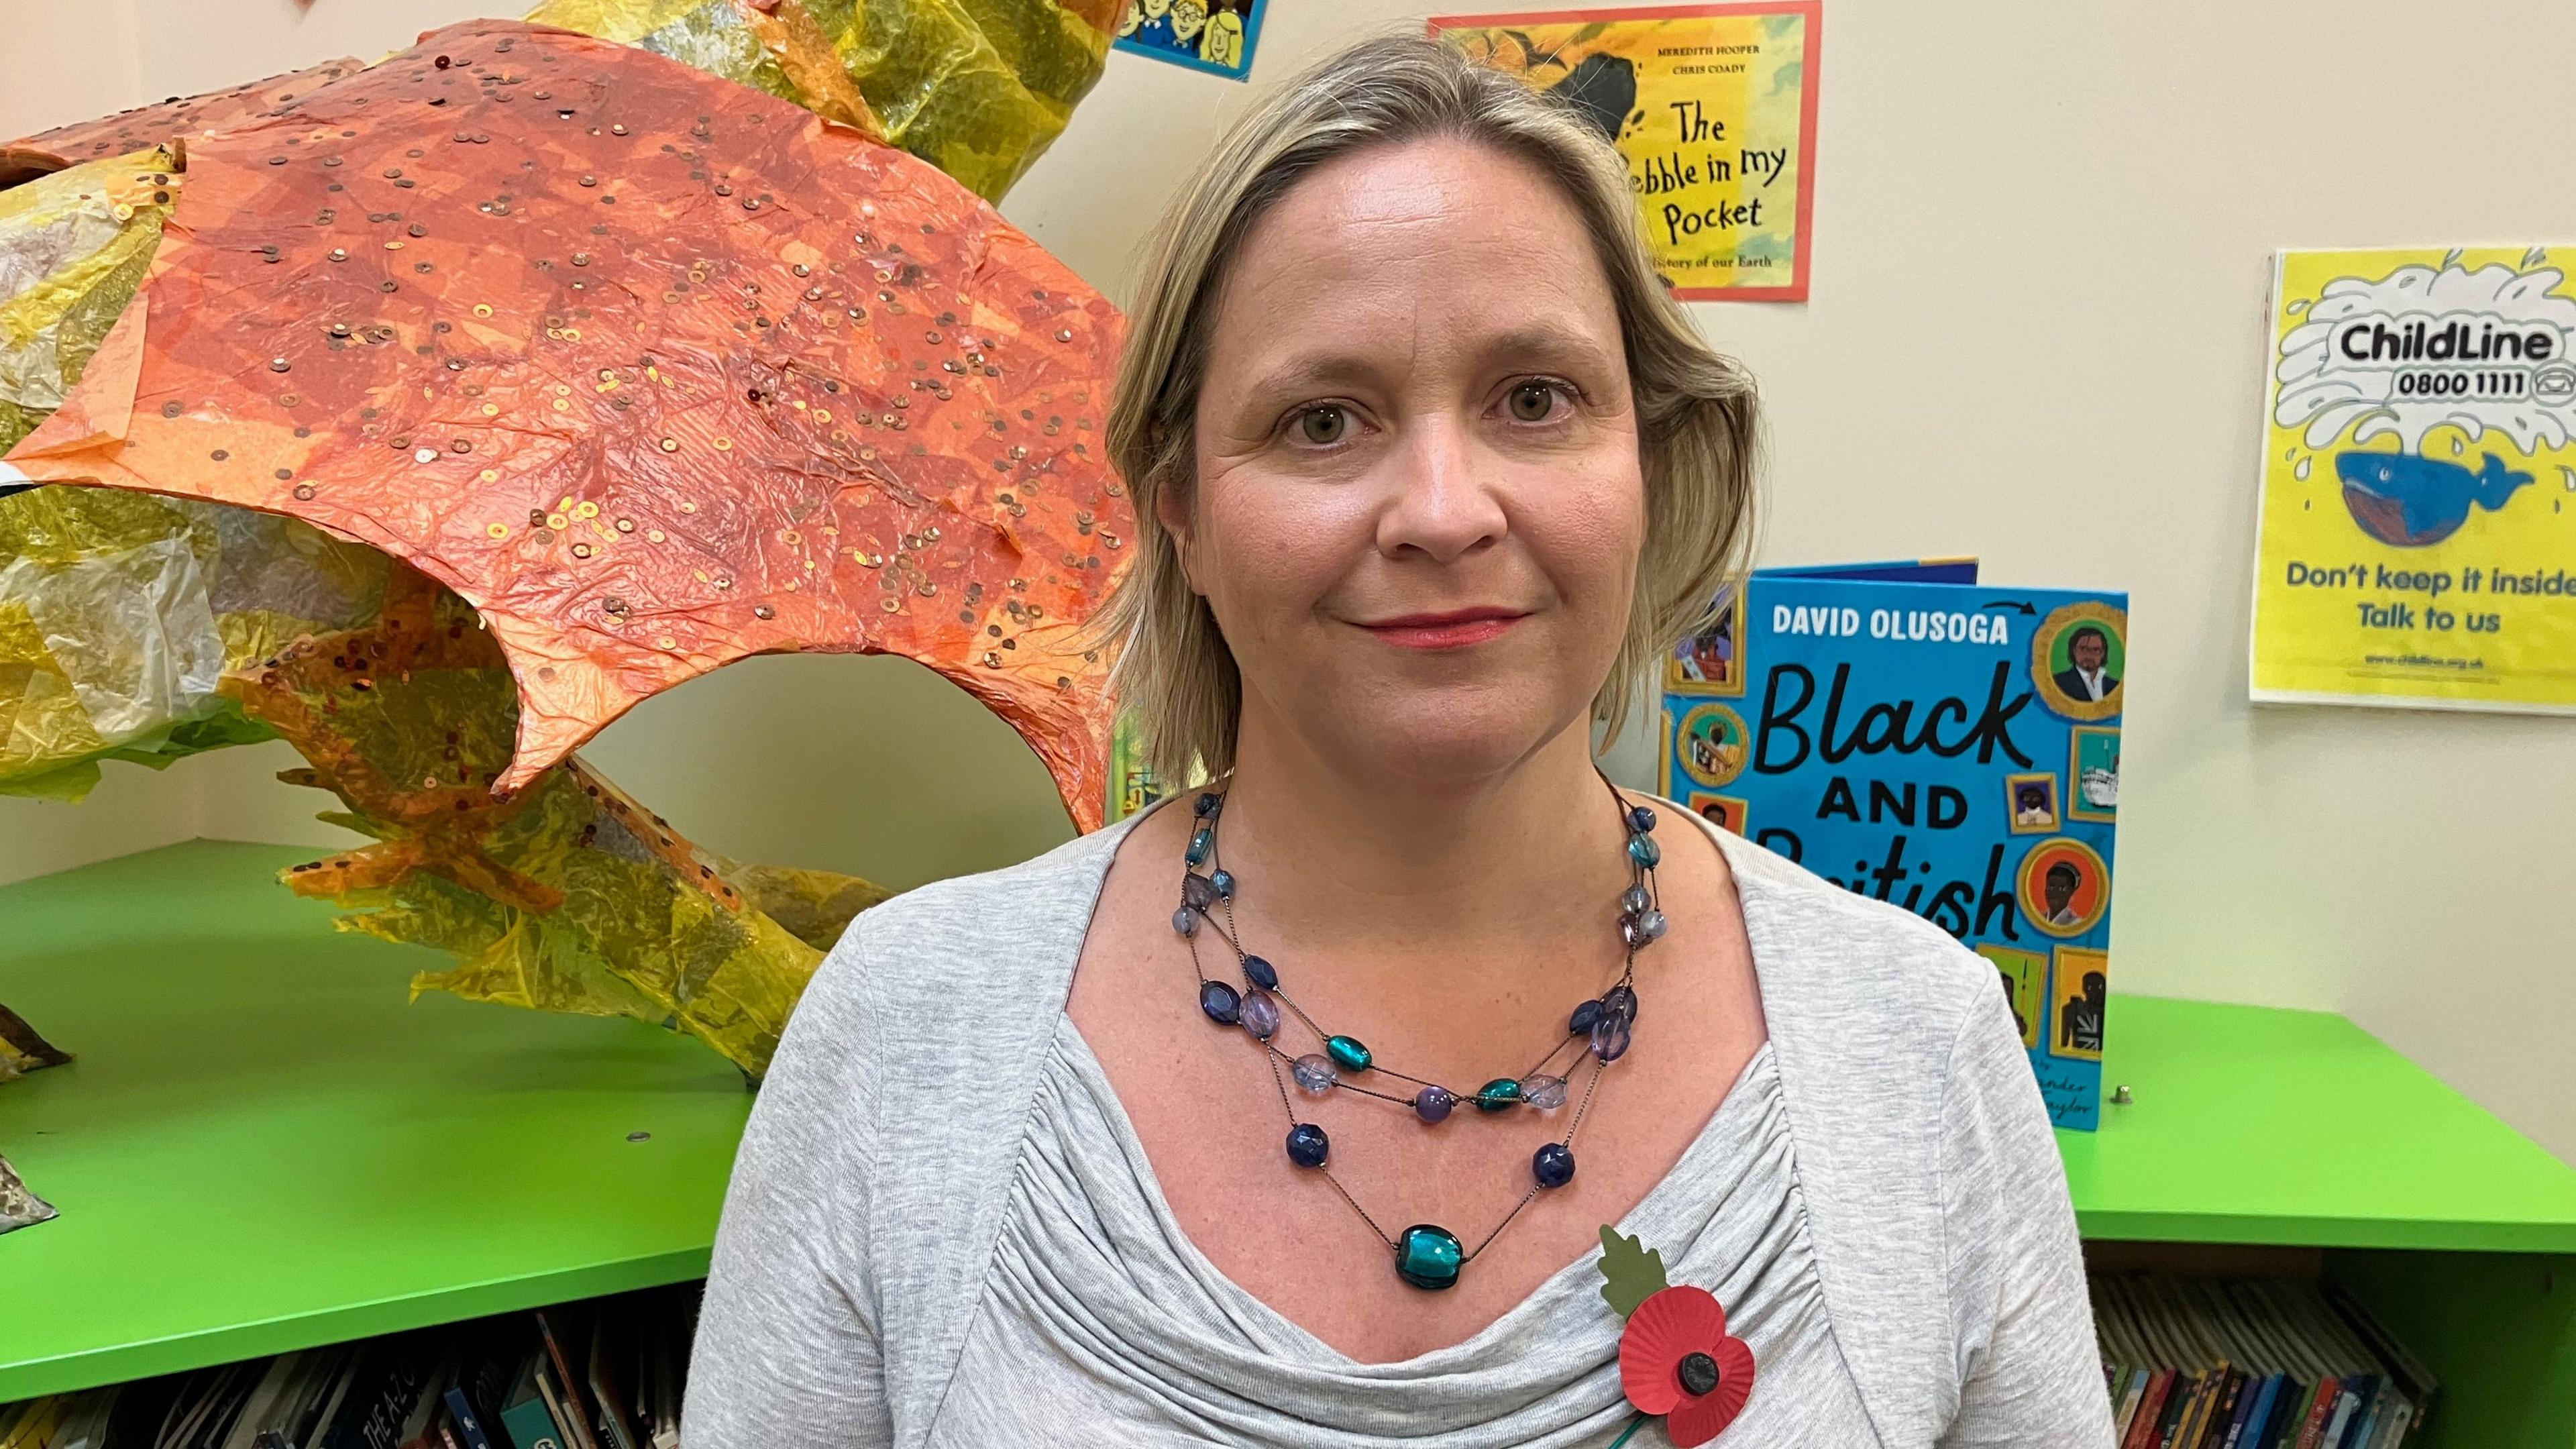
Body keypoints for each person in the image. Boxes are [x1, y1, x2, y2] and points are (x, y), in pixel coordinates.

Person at [687, 35, 2110, 1448]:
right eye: (1323, 420)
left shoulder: (1919, 1044)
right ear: (1178, 506)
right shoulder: (907, 1034)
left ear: (1650, 458)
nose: (1442, 510)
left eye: (1534, 400)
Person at [2052, 625, 2118, 704]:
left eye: (2096, 650)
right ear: (2074, 651)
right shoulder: (2057, 683)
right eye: (2083, 649)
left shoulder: (2116, 687)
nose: (2089, 655)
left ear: (2103, 653)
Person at [2059, 971, 2107, 1055]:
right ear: (2085, 989)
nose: (2098, 993)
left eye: (2100, 988)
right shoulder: (2072, 1009)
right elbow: (2061, 1045)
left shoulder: (2072, 1009)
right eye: (2091, 988)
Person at [2041, 859, 2085, 926]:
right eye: (2051, 887)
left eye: (2062, 889)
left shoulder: (2075, 924)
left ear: (2071, 892)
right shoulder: (2039, 919)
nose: (2055, 892)